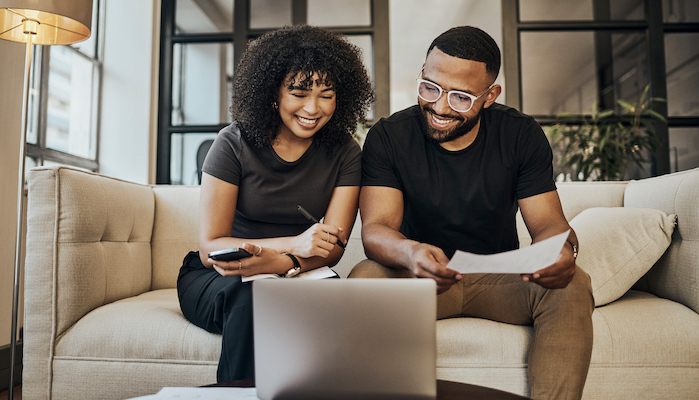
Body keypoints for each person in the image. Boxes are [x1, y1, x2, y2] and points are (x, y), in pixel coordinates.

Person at [350, 26, 594, 400]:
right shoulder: (389, 136)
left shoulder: (521, 135)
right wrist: (411, 252)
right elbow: (377, 228)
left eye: (461, 98)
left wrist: (561, 250)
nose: (440, 106)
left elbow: (548, 224)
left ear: (490, 95)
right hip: (421, 280)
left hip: (499, 277)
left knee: (573, 282)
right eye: (430, 87)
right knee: (366, 276)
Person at [177, 25, 373, 382]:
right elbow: (211, 248)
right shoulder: (232, 143)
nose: (313, 109)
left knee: (337, 309)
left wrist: (285, 262)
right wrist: (291, 245)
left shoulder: (345, 152)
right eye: (298, 93)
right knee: (259, 298)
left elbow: (332, 248)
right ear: (273, 93)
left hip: (301, 271)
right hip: (223, 275)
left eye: (326, 95)